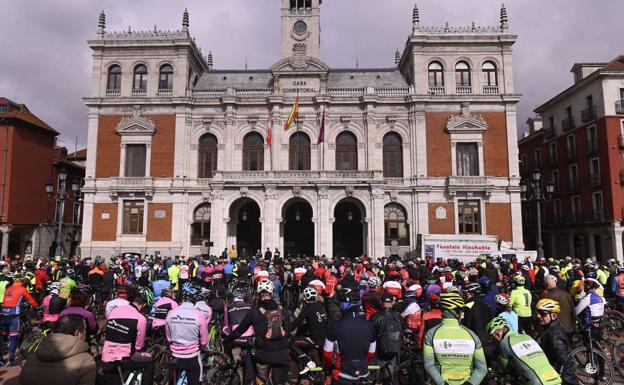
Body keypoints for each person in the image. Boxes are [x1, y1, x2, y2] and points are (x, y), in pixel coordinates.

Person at [224, 279, 290, 385]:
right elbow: (288, 330)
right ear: (272, 292)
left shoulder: (254, 311)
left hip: (264, 353)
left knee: (259, 376)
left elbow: (240, 330)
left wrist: (227, 339)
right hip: (283, 353)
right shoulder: (283, 309)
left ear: (258, 294)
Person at [423, 292, 487, 385]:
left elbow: (429, 365)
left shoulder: (431, 334)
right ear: (458, 313)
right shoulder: (472, 335)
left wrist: (441, 383)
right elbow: (482, 368)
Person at [19, 314, 96, 385]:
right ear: (77, 333)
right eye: (85, 330)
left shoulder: (33, 357)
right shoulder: (86, 361)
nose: (86, 334)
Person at [322, 286, 376, 385]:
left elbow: (327, 354)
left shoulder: (335, 326)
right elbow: (371, 353)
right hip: (363, 373)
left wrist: (330, 365)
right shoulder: (369, 325)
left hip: (342, 374)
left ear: (345, 304)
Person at [101, 287, 154, 385]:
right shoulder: (141, 319)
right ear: (144, 305)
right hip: (124, 359)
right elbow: (139, 346)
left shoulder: (115, 310)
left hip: (106, 356)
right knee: (149, 359)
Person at [487, 316, 561, 385]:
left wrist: (493, 364)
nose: (494, 339)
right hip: (554, 376)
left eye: (493, 336)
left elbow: (502, 368)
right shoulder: (527, 336)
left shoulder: (505, 343)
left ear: (498, 332)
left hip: (536, 381)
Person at [165, 288, 209, 385]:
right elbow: (204, 341)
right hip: (192, 356)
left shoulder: (171, 313)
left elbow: (168, 337)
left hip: (175, 355)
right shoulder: (199, 314)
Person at [535, 299, 577, 385]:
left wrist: (560, 378)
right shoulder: (548, 328)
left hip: (560, 378)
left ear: (554, 316)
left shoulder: (556, 334)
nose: (538, 316)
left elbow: (564, 360)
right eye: (538, 312)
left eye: (543, 313)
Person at [0, 273, 39, 365]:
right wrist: (36, 307)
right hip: (14, 315)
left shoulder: (8, 288)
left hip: (3, 313)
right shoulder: (22, 289)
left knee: (3, 337)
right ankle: (11, 360)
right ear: (22, 281)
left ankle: (1, 359)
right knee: (13, 337)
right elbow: (31, 300)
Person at [290, 286, 327, 374]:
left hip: (314, 340)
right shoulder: (320, 307)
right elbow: (313, 322)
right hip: (324, 339)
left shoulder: (307, 308)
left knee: (293, 344)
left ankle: (308, 362)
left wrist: (285, 330)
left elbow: (296, 322)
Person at [371, 293, 404, 385]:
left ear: (381, 302)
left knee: (373, 377)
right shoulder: (398, 317)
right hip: (393, 353)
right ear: (392, 302)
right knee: (389, 379)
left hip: (379, 353)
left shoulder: (375, 316)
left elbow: (371, 335)